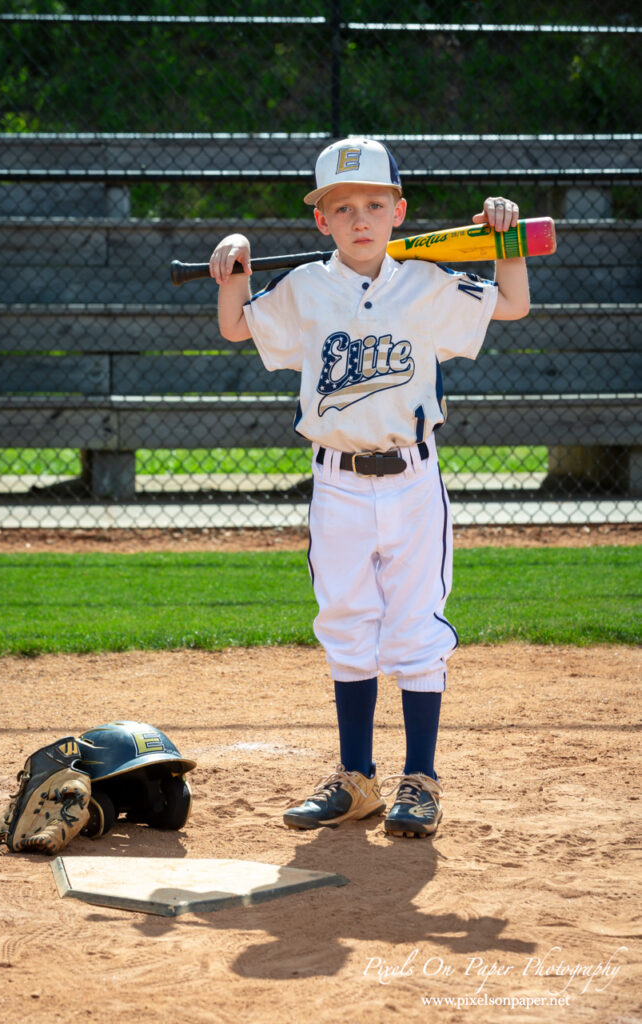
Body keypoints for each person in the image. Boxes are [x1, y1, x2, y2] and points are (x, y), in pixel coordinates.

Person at [210, 137, 530, 838]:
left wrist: (505, 237)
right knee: (348, 622)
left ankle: (420, 779)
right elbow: (237, 324)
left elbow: (511, 304)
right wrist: (233, 260)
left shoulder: (424, 282)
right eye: (342, 206)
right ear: (321, 220)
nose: (361, 218)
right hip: (338, 486)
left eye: (375, 204)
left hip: (413, 481)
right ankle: (357, 780)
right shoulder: (303, 288)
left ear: (399, 211)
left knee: (416, 627)